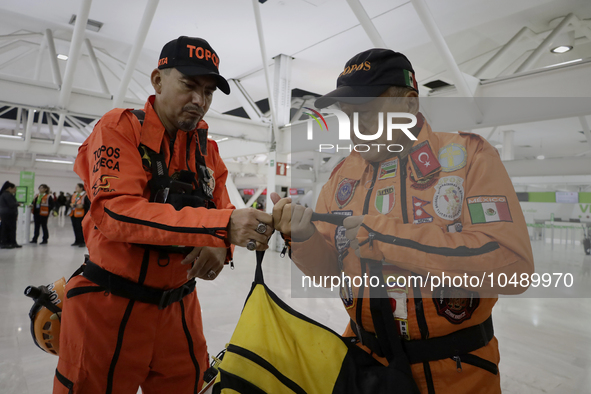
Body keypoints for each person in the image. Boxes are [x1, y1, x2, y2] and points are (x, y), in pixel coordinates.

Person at [271, 49, 534, 394]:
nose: (355, 130)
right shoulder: (342, 177)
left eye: (365, 114)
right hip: (363, 367)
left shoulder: (467, 158)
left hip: (456, 373)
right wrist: (303, 237)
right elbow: (330, 273)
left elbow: (511, 267)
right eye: (348, 117)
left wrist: (383, 237)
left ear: (410, 105)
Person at [54, 36, 274, 394]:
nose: (199, 101)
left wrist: (221, 247)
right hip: (107, 310)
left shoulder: (207, 150)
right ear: (157, 81)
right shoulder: (118, 129)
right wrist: (219, 228)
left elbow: (224, 210)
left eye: (208, 91)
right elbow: (116, 212)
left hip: (180, 312)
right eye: (188, 85)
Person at [0, 181, 21, 249]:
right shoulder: (7, 195)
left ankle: (10, 242)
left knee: (7, 228)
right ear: (9, 188)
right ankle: (7, 243)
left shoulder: (4, 194)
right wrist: (18, 204)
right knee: (8, 229)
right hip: (8, 214)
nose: (15, 190)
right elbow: (11, 204)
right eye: (14, 188)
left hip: (6, 214)